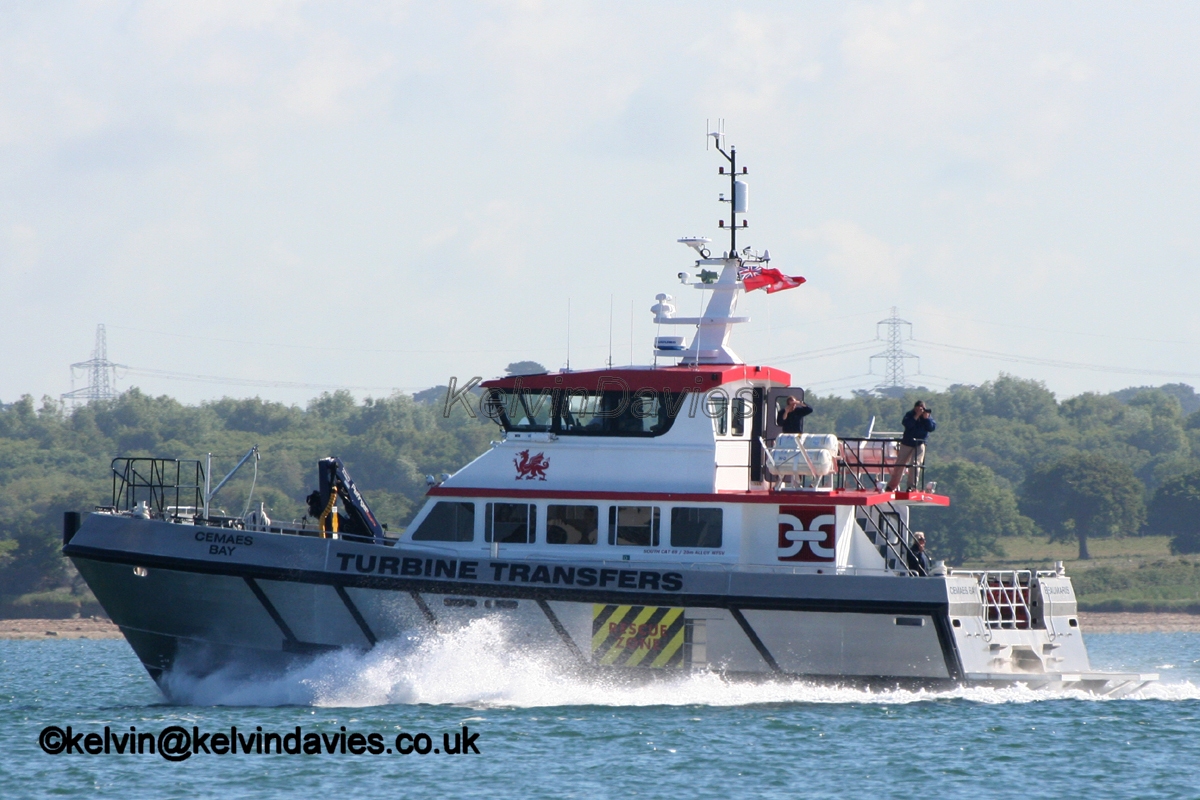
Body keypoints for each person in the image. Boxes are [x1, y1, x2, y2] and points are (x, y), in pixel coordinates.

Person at [885, 400, 936, 492]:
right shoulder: (910, 414)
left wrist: (926, 418)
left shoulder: (927, 416)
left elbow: (931, 428)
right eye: (919, 408)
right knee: (899, 464)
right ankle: (891, 486)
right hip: (907, 442)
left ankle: (911, 486)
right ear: (915, 408)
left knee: (915, 464)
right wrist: (916, 416)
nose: (921, 410)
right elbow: (907, 424)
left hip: (920, 443)